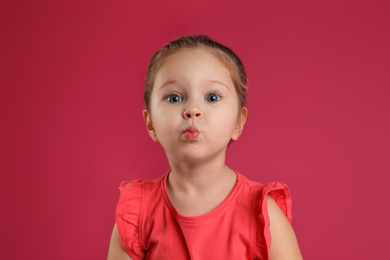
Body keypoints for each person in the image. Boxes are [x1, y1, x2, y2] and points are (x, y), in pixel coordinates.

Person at [107, 35, 303, 260]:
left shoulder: (262, 213)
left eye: (212, 97)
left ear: (238, 122)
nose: (192, 109)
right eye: (173, 98)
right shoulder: (137, 214)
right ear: (150, 123)